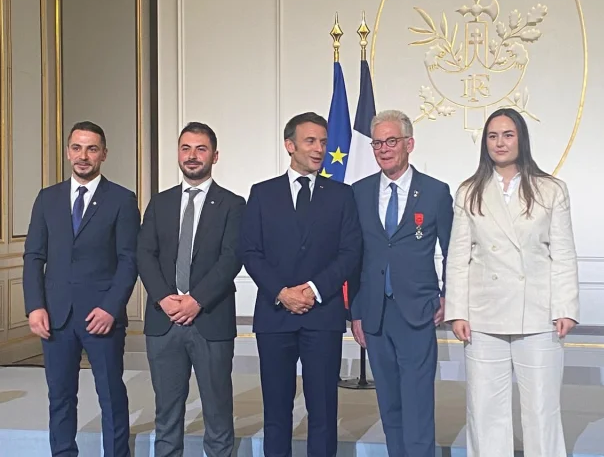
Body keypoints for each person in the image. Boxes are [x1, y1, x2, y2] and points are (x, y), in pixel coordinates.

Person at [444, 107, 579, 457]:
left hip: (538, 314)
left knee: (541, 411)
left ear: (521, 139)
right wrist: (458, 311)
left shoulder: (551, 190)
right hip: (483, 315)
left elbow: (563, 254)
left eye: (507, 135)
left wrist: (566, 307)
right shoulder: (469, 191)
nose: (499, 143)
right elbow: (457, 258)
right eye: (492, 136)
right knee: (485, 411)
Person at [238, 111, 362, 457]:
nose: (319, 148)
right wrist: (282, 292)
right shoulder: (262, 194)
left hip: (321, 316)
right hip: (274, 316)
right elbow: (250, 250)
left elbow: (350, 252)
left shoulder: (341, 195)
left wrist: (312, 290)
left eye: (323, 142)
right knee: (276, 412)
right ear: (289, 145)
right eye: (311, 141)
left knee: (323, 411)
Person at [22, 121, 140, 457]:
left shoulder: (121, 199)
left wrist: (111, 308)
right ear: (67, 152)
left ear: (104, 153)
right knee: (59, 396)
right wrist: (35, 307)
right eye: (77, 148)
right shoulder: (47, 198)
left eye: (91, 149)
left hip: (101, 315)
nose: (83, 156)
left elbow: (128, 260)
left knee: (111, 395)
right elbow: (34, 256)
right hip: (55, 316)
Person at [137, 122, 245, 457]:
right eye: (186, 148)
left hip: (210, 320)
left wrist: (196, 300)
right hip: (163, 321)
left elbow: (232, 259)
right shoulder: (160, 202)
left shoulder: (233, 204)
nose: (192, 156)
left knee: (217, 413)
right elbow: (144, 253)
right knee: (166, 415)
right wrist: (163, 298)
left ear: (215, 155)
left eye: (200, 149)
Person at [350, 110, 453, 457]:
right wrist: (356, 312)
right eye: (378, 142)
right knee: (389, 405)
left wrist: (448, 296)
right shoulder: (359, 192)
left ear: (409, 144)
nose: (383, 149)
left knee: (418, 403)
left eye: (391, 141)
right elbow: (355, 257)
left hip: (417, 311)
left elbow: (452, 248)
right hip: (375, 314)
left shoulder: (436, 192)